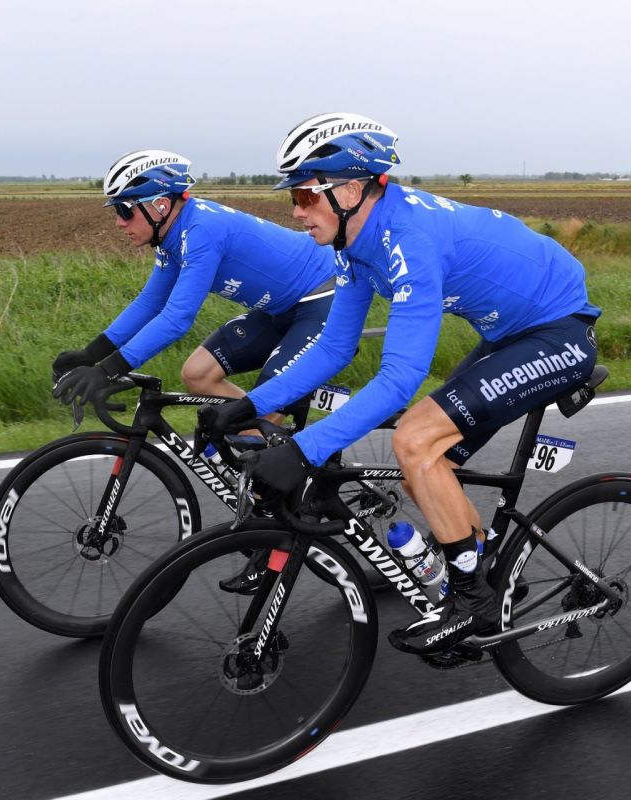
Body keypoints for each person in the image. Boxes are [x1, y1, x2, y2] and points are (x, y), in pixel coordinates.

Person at [197, 113, 602, 654]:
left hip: (558, 332)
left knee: (414, 439)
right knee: (424, 472)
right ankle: (487, 574)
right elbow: (335, 347)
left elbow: (400, 378)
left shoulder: (408, 238)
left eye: (305, 195)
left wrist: (302, 450)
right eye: (293, 197)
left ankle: (472, 603)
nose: (296, 211)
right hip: (510, 334)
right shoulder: (354, 243)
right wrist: (250, 405)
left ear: (350, 189)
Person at [51, 150, 337, 424]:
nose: (118, 222)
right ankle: (265, 437)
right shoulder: (172, 238)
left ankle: (277, 444)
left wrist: (108, 370)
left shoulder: (202, 230)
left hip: (322, 296)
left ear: (160, 206)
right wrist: (91, 355)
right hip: (280, 309)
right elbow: (150, 302)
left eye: (124, 210)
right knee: (198, 374)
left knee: (259, 415)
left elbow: (177, 318)